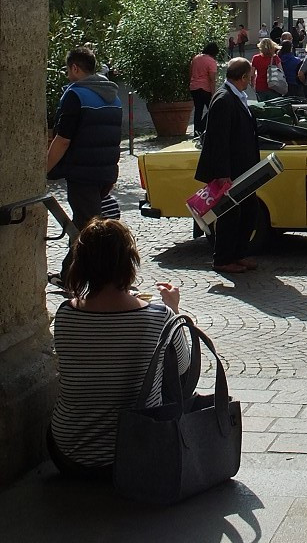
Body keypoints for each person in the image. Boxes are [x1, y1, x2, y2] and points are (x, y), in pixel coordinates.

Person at [49, 218, 189, 475]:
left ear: (81, 265)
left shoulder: (65, 314)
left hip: (68, 454)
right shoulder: (159, 316)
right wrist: (173, 309)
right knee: (170, 377)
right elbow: (183, 367)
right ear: (128, 263)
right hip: (136, 455)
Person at [46, 45, 122, 284]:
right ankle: (69, 276)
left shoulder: (75, 94)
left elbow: (63, 139)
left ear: (76, 68)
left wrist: (43, 169)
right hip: (106, 172)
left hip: (82, 173)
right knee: (83, 223)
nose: (68, 76)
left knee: (87, 230)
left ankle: (100, 280)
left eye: (69, 70)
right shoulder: (114, 96)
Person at [194, 57, 261, 276]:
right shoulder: (224, 98)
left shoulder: (237, 95)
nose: (252, 79)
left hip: (243, 168)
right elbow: (219, 140)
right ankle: (222, 259)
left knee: (251, 210)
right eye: (250, 76)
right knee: (229, 215)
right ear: (243, 77)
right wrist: (223, 174)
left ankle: (238, 254)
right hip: (230, 170)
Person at [189, 41, 218, 137]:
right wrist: (214, 93)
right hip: (205, 88)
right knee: (213, 110)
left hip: (194, 87)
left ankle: (196, 131)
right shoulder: (211, 61)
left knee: (198, 110)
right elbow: (212, 79)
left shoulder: (196, 58)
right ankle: (204, 128)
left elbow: (190, 72)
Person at [251, 37, 284, 102]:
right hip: (273, 86)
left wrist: (252, 84)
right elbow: (281, 71)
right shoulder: (275, 58)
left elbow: (252, 73)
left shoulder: (256, 58)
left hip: (260, 86)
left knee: (262, 107)